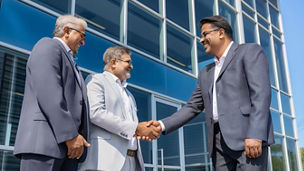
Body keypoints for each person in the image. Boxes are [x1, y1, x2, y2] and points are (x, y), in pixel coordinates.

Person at [145, 15, 275, 170]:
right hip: (218, 144)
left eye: (205, 34)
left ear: (221, 32)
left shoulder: (249, 51)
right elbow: (192, 107)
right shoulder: (206, 72)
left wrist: (255, 134)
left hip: (247, 138)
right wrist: (161, 125)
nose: (201, 40)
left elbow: (261, 95)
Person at [14, 15, 90, 171]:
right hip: (44, 145)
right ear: (67, 31)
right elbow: (50, 93)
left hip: (68, 150)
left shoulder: (73, 63)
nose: (83, 42)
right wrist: (70, 135)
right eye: (82, 36)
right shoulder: (48, 46)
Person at [79, 46, 160, 171]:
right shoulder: (96, 80)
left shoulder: (129, 95)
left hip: (131, 160)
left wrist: (143, 131)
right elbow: (95, 113)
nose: (131, 66)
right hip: (106, 162)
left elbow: (132, 127)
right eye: (128, 62)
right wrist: (136, 128)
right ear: (113, 62)